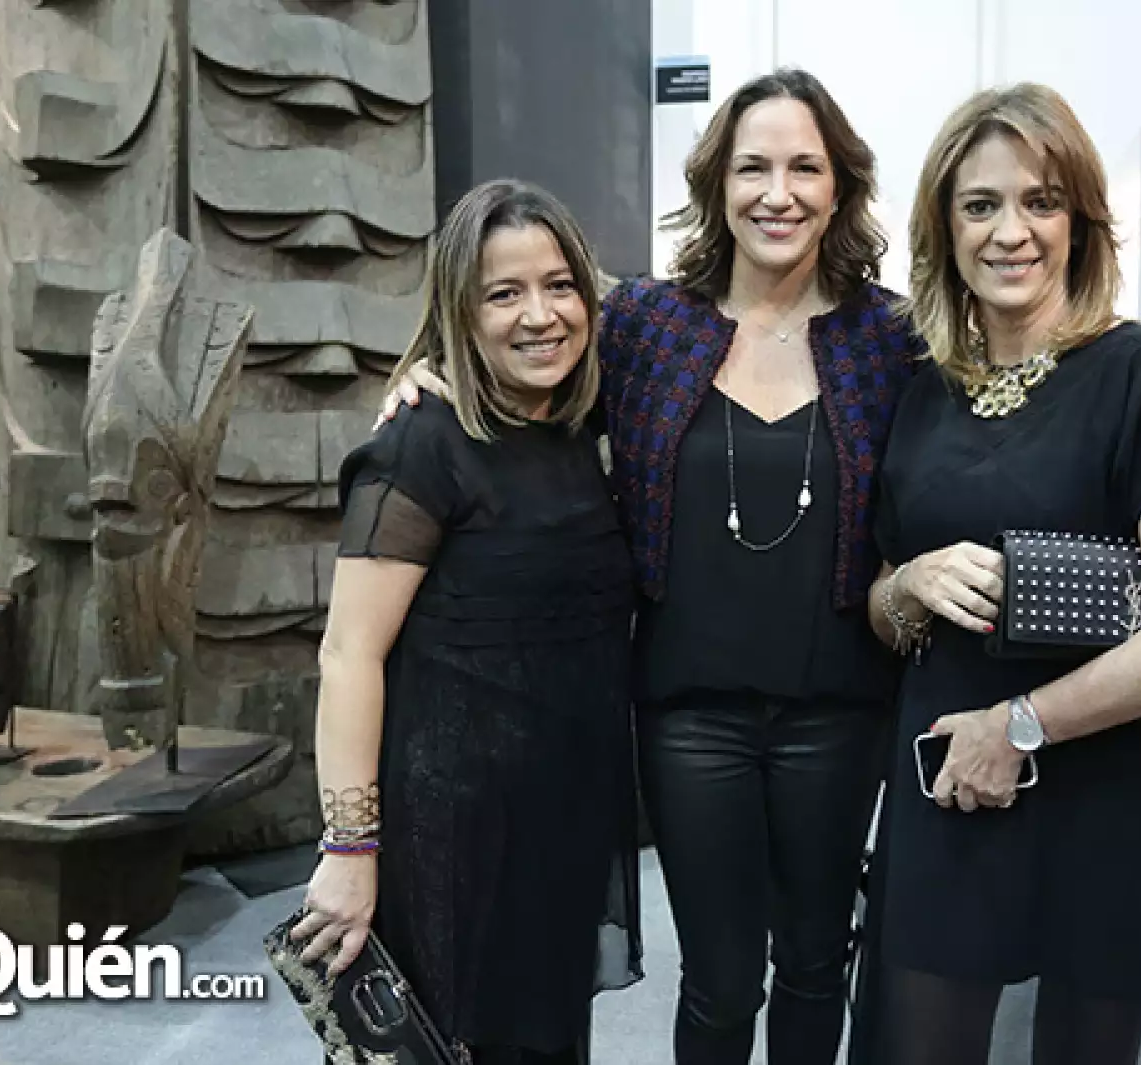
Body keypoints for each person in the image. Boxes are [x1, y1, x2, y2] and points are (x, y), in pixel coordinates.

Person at [384, 70, 922, 1065]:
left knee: (816, 963)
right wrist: (429, 370)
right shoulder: (646, 327)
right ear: (717, 183)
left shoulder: (887, 341)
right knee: (719, 980)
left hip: (842, 710)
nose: (778, 191)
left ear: (839, 187)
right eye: (752, 166)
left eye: (804, 167)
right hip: (688, 716)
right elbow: (526, 388)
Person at [848, 83, 1141, 1065]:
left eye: (1040, 202)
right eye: (979, 205)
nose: (1010, 232)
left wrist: (1019, 726)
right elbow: (875, 598)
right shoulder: (920, 390)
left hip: (1113, 779)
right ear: (942, 226)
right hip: (948, 776)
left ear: (1081, 220)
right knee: (925, 1039)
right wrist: (902, 589)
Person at [289, 179, 642, 1065]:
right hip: (446, 839)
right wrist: (349, 845)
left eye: (560, 285)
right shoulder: (421, 444)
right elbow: (348, 654)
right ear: (459, 310)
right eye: (503, 293)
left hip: (558, 827)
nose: (541, 315)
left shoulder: (582, 425)